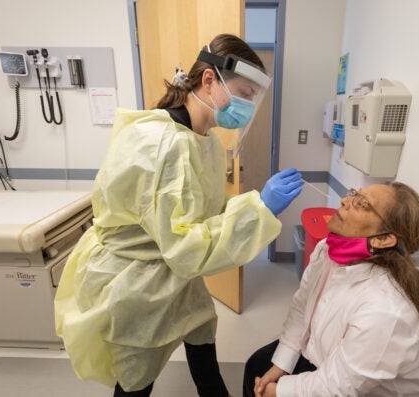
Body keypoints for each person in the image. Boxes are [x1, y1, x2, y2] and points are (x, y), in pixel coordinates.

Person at [54, 33, 303, 397]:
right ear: (209, 80)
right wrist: (259, 208)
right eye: (245, 94)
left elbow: (206, 217)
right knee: (137, 379)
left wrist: (256, 206)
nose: (248, 106)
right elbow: (187, 245)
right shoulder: (163, 143)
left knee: (202, 342)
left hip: (175, 274)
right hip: (141, 281)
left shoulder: (203, 142)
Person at [244, 182, 419, 397]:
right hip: (328, 361)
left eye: (362, 203)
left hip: (362, 391)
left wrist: (278, 392)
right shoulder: (327, 250)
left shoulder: (385, 311)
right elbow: (302, 307)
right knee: (256, 367)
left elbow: (337, 387)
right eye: (354, 194)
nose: (345, 200)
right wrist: (281, 365)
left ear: (383, 239)